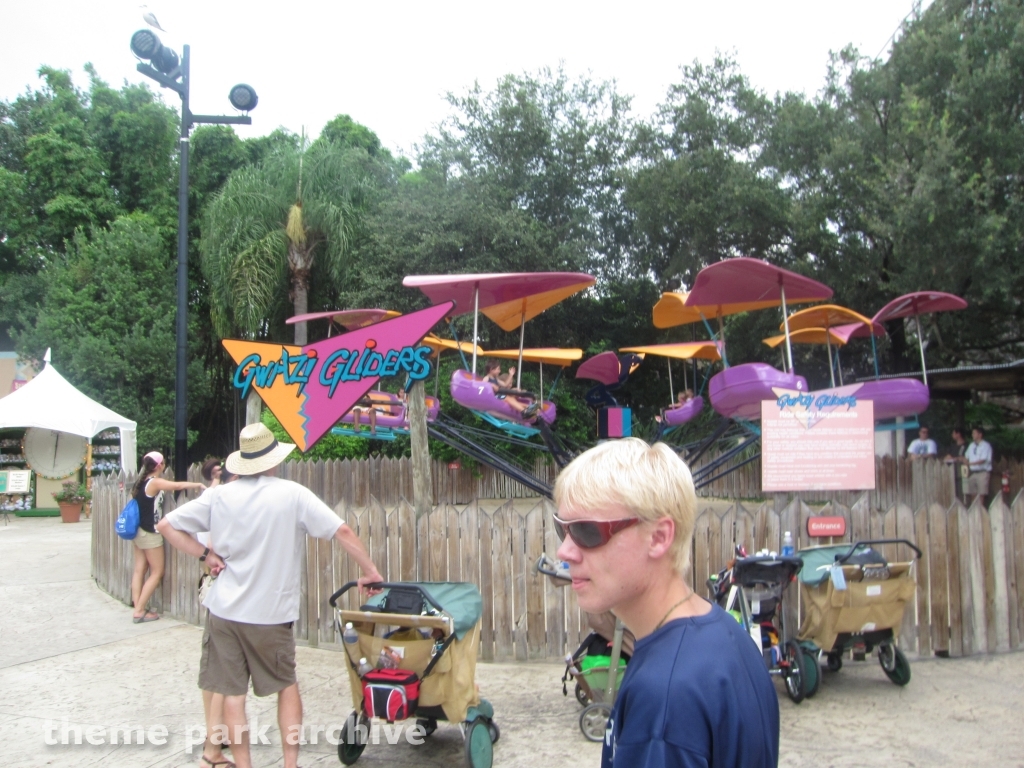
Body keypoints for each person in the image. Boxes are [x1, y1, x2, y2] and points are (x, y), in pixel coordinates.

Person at [156, 423, 383, 768]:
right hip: (271, 615)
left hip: (225, 613)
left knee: (233, 694)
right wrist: (371, 572)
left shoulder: (219, 495)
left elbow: (166, 525)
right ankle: (290, 764)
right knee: (286, 686)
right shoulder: (292, 494)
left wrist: (205, 556)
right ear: (273, 460)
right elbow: (343, 530)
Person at [554, 439, 778, 768]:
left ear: (659, 537)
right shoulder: (725, 634)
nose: (565, 552)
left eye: (587, 531)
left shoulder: (664, 696)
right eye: (564, 531)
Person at [130, 450, 205, 623]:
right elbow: (177, 486)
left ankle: (137, 605)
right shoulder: (154, 482)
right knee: (157, 571)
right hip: (150, 532)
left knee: (139, 569)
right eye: (163, 462)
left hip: (138, 531)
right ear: (158, 466)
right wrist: (197, 485)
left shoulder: (140, 483)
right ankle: (140, 611)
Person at [965, 426, 994, 507]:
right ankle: (974, 510)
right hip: (973, 473)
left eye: (974, 433)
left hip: (982, 473)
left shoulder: (986, 446)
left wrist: (971, 464)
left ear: (980, 434)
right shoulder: (971, 445)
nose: (972, 435)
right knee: (972, 494)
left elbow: (983, 460)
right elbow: (966, 456)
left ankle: (980, 511)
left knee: (981, 494)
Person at [944, 428, 969, 500]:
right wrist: (956, 458)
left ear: (958, 434)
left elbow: (964, 458)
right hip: (952, 472)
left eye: (953, 433)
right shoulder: (953, 446)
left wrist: (956, 458)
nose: (952, 435)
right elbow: (947, 458)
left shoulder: (966, 446)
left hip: (963, 472)